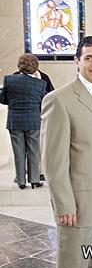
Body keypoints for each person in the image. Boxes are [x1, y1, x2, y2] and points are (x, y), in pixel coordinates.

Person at [40, 36, 92, 268]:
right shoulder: (59, 100)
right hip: (78, 206)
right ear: (77, 61)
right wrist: (64, 204)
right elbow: (53, 161)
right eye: (89, 58)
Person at [1, 53, 46, 189]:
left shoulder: (9, 80)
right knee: (33, 151)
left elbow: (3, 99)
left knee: (18, 151)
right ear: (35, 67)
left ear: (19, 65)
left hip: (15, 121)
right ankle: (34, 180)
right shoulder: (41, 83)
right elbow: (43, 101)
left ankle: (21, 181)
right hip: (33, 121)